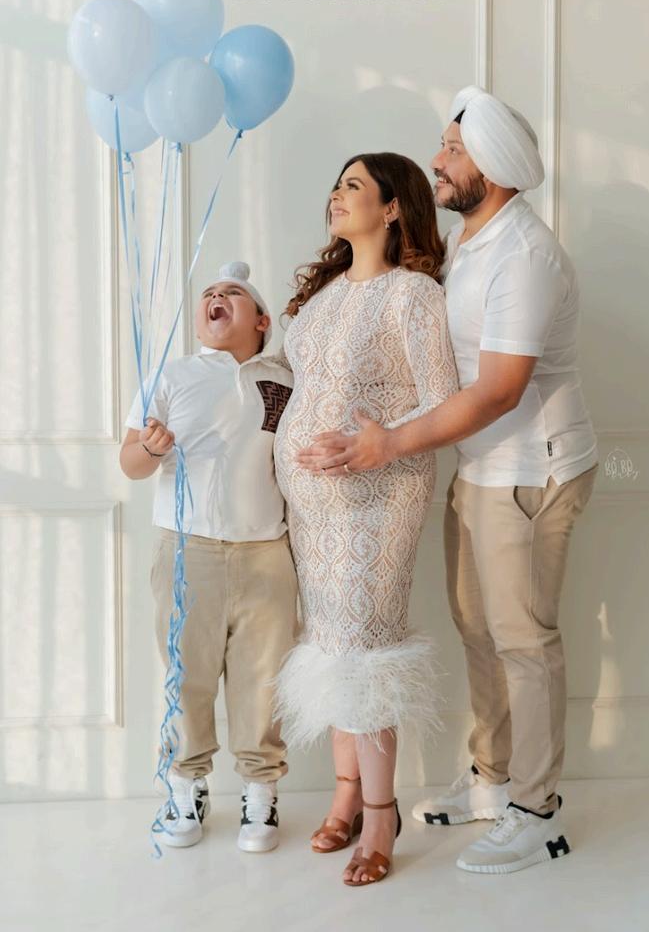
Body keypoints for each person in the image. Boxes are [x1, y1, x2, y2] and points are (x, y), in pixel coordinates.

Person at [297, 88, 599, 875]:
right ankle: (493, 779)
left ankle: (537, 810)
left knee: (524, 639)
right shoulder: (472, 242)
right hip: (479, 468)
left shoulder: (525, 256)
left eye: (454, 151)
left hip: (530, 469)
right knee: (478, 629)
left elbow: (498, 390)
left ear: (492, 165)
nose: (438, 161)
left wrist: (388, 443)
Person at [272, 153, 459, 886]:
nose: (336, 195)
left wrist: (373, 446)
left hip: (380, 498)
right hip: (312, 510)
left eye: (353, 185)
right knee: (329, 643)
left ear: (392, 207)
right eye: (335, 184)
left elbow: (443, 403)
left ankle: (381, 814)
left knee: (366, 651)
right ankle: (346, 794)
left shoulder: (414, 296)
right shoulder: (320, 297)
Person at [120, 261, 297, 853]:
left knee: (263, 680)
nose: (216, 297)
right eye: (209, 293)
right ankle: (184, 786)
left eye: (233, 293)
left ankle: (260, 794)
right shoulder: (171, 375)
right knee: (187, 675)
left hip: (266, 551)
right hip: (186, 550)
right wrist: (149, 448)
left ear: (262, 320)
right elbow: (130, 462)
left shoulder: (285, 379)